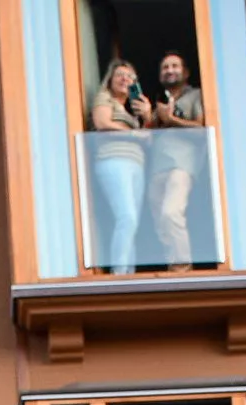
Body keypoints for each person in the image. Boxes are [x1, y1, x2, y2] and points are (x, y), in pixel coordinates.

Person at [86, 59, 151, 273]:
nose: (125, 79)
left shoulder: (133, 110)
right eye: (120, 75)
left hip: (136, 165)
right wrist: (133, 133)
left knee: (132, 223)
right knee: (127, 217)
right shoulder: (105, 98)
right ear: (110, 80)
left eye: (130, 76)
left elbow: (149, 138)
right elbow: (102, 123)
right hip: (113, 161)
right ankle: (120, 274)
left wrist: (147, 114)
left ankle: (128, 274)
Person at [145, 50, 207, 267]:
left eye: (174, 66)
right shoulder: (160, 101)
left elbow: (202, 129)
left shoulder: (195, 95)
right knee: (160, 224)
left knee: (171, 213)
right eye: (165, 67)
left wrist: (170, 119)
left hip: (181, 165)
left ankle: (183, 270)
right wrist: (149, 116)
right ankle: (174, 268)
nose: (169, 70)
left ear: (186, 72)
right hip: (156, 168)